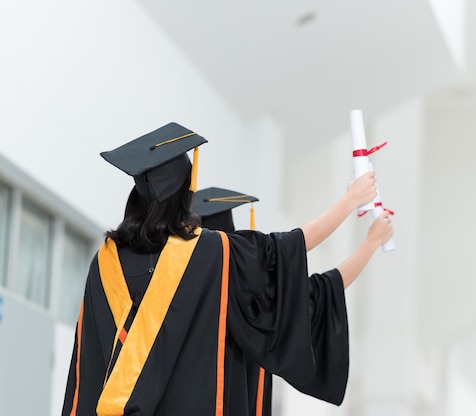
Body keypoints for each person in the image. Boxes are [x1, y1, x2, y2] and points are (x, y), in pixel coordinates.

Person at [62, 122, 394, 415]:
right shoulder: (211, 254)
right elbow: (293, 246)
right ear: (184, 196)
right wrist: (352, 203)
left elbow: (87, 360)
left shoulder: (104, 262)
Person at [192, 186, 393, 414]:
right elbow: (327, 286)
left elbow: (325, 286)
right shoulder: (258, 298)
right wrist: (371, 240)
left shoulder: (179, 289)